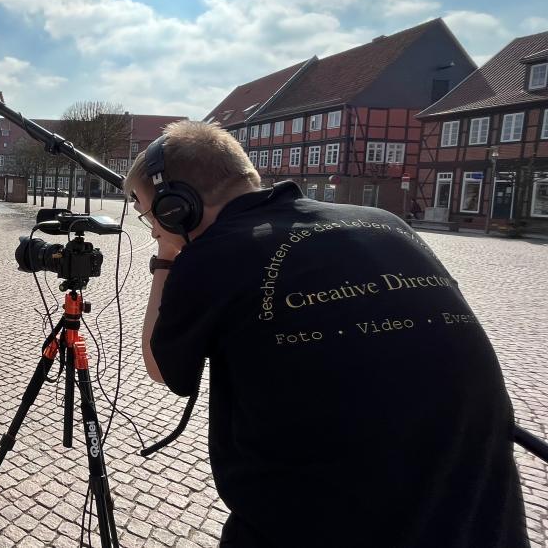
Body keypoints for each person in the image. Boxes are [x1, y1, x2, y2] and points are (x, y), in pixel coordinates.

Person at [126, 120, 528, 547]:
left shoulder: (211, 256)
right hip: (485, 519)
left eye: (151, 214)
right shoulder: (387, 223)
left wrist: (168, 255)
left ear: (177, 207)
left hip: (323, 524)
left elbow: (161, 366)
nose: (152, 226)